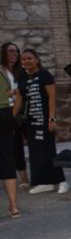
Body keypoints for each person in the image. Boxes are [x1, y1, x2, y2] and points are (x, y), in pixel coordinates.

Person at [12, 49, 70, 195]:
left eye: (29, 58)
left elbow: (51, 98)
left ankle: (62, 181)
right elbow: (19, 99)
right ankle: (44, 183)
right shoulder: (22, 77)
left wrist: (51, 119)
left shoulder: (45, 75)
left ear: (37, 60)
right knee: (35, 153)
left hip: (44, 120)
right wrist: (11, 117)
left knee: (48, 150)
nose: (26, 61)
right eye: (23, 59)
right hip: (29, 123)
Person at [1, 42, 28, 188]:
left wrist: (14, 93)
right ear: (3, 53)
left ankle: (24, 179)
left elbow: (23, 92)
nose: (14, 54)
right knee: (7, 146)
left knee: (17, 144)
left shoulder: (21, 71)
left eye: (16, 52)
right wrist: (11, 93)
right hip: (4, 111)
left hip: (20, 112)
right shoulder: (1, 71)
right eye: (11, 51)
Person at [0, 64, 19, 218]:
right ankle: (13, 207)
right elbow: (11, 93)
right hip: (4, 114)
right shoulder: (3, 71)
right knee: (7, 160)